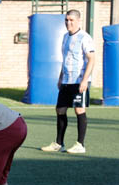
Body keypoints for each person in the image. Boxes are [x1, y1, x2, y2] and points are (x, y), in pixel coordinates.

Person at [41, 9, 96, 154]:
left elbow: (91, 59)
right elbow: (66, 59)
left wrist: (85, 80)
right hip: (66, 80)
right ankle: (59, 143)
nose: (68, 23)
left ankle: (80, 144)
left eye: (71, 20)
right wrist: (61, 77)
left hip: (79, 80)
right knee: (60, 109)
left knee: (79, 110)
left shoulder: (85, 37)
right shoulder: (65, 37)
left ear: (78, 21)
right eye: (66, 20)